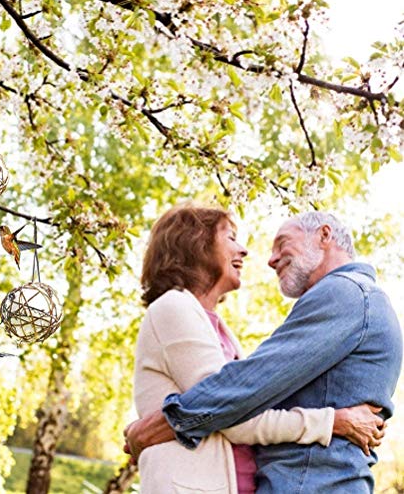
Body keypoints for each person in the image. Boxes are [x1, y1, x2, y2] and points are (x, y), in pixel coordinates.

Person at [129, 205, 391, 493]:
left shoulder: (344, 293)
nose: (266, 258)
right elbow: (241, 400)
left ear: (324, 236)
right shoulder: (177, 308)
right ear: (196, 245)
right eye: (231, 238)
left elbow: (240, 396)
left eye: (282, 244)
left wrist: (169, 421)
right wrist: (332, 421)